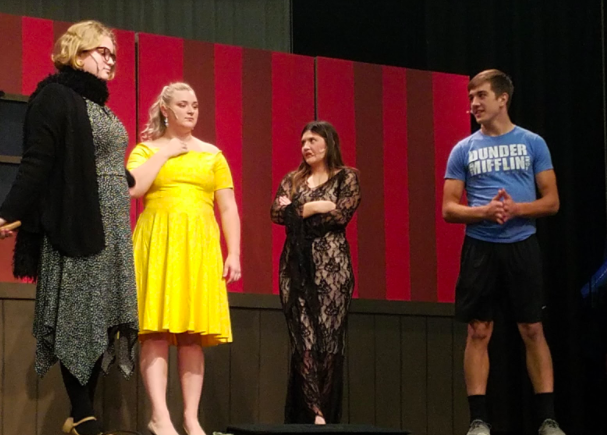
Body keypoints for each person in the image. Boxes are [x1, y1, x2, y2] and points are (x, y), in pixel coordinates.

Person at [0, 20, 138, 435]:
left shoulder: (100, 108)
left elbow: (118, 172)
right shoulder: (54, 98)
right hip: (79, 223)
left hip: (113, 228)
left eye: (114, 55)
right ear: (78, 53)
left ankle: (82, 416)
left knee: (101, 319)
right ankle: (83, 416)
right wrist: (6, 213)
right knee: (79, 321)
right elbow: (38, 163)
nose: (110, 60)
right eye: (103, 52)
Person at [442, 69, 563, 435]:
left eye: (480, 96)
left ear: (502, 99)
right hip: (480, 248)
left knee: (532, 328)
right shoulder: (463, 149)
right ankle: (478, 420)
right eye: (471, 98)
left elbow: (553, 201)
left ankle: (547, 419)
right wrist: (483, 212)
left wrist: (517, 209)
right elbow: (448, 208)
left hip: (522, 245)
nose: (474, 104)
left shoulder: (533, 143)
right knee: (479, 331)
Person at [127, 82, 241, 435]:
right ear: (165, 109)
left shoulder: (213, 155)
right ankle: (160, 416)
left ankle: (191, 417)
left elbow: (227, 206)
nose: (191, 110)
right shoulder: (145, 151)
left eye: (195, 104)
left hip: (199, 247)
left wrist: (233, 252)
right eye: (183, 104)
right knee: (156, 332)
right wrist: (166, 152)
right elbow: (133, 188)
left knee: (192, 334)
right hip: (158, 244)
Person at [270, 120, 361, 425]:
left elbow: (340, 216)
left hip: (332, 270)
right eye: (303, 142)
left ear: (328, 143)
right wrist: (312, 207)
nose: (306, 146)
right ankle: (314, 414)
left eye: (312, 140)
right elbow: (275, 213)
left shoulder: (346, 178)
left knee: (329, 341)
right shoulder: (293, 179)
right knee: (304, 340)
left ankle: (326, 413)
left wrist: (295, 210)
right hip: (294, 267)